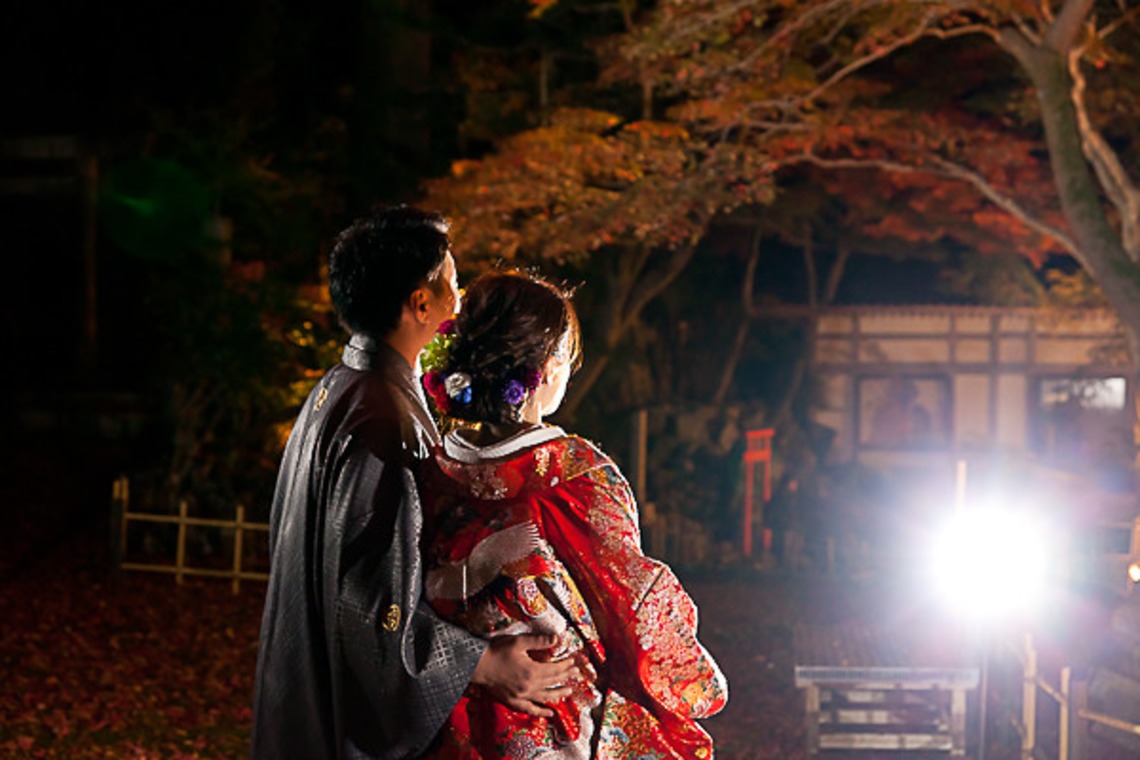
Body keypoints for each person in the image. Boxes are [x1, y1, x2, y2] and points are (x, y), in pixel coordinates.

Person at [252, 208, 580, 759]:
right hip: (343, 725)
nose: (459, 304)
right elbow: (367, 602)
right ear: (420, 304)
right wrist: (485, 663)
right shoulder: (382, 420)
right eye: (450, 286)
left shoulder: (341, 388)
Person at [417, 270, 728, 758]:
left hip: (452, 708)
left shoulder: (432, 468)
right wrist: (687, 669)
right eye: (564, 354)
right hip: (555, 712)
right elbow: (634, 597)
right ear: (548, 364)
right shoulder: (572, 476)